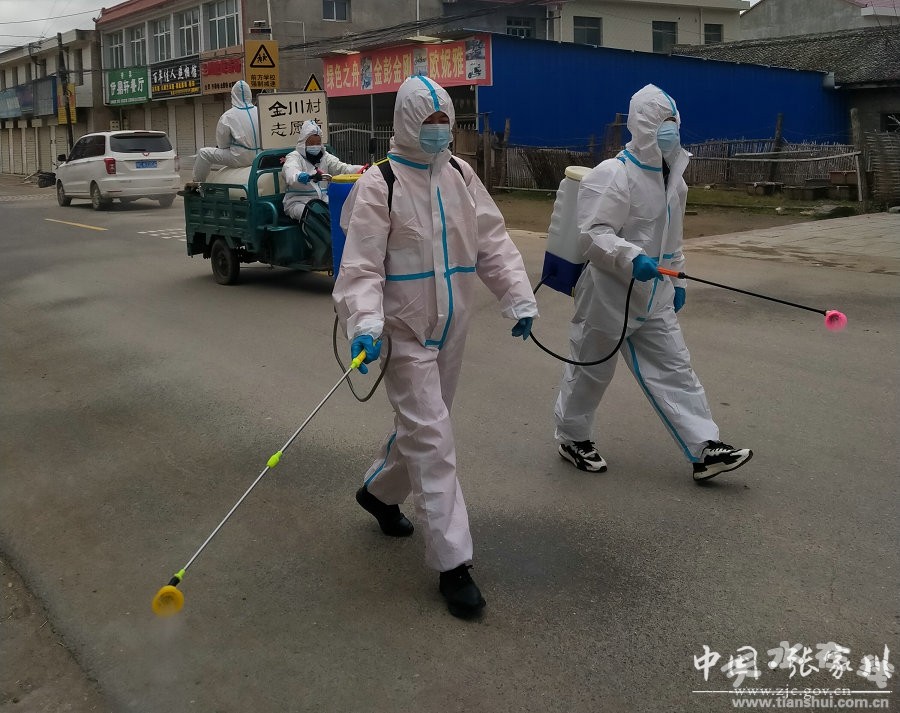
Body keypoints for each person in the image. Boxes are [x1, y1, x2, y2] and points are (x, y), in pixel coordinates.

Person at [333, 75, 538, 619]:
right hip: (402, 332)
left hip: (452, 329)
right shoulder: (380, 184)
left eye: (444, 122)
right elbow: (360, 267)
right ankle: (453, 563)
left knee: (429, 425)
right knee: (433, 438)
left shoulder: (461, 176)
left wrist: (517, 297)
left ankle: (379, 493)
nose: (438, 131)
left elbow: (492, 241)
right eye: (429, 122)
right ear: (406, 123)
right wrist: (365, 323)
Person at [554, 84, 752, 482]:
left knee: (676, 368)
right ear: (643, 124)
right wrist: (631, 256)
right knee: (591, 370)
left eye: (674, 121)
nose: (671, 129)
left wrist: (678, 277)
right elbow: (592, 235)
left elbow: (672, 237)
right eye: (663, 121)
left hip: (656, 291)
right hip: (608, 292)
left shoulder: (673, 177)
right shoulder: (614, 174)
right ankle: (573, 437)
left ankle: (705, 448)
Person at [281, 120, 365, 264]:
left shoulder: (325, 156)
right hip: (298, 201)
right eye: (311, 143)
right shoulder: (294, 157)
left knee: (343, 210)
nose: (315, 146)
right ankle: (319, 250)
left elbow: (342, 167)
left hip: (323, 199)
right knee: (313, 214)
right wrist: (302, 176)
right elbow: (290, 172)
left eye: (318, 142)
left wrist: (362, 169)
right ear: (303, 143)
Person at [189, 80, 261, 186]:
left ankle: (197, 184)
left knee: (203, 153)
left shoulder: (228, 116)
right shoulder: (260, 111)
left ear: (233, 96)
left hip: (240, 158)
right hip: (260, 156)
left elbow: (223, 145)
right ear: (249, 94)